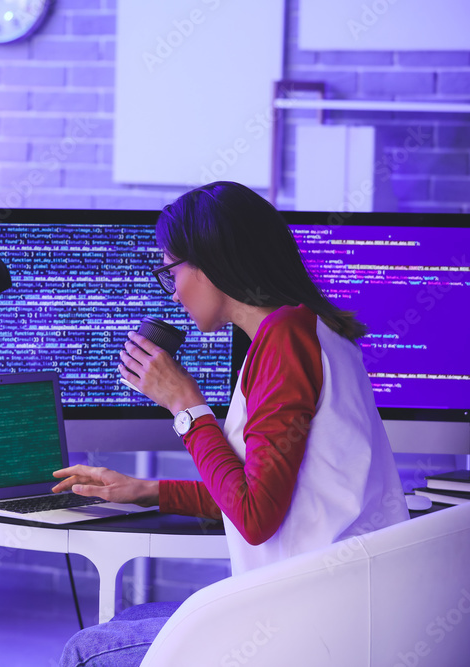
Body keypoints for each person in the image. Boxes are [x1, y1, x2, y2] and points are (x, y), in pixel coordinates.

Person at [54, 181, 408, 666]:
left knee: (85, 651)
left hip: (309, 625)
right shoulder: (309, 328)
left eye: (171, 271)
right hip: (341, 604)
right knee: (127, 622)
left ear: (214, 261)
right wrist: (145, 490)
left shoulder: (283, 342)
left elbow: (256, 518)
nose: (173, 291)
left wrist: (186, 406)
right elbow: (269, 494)